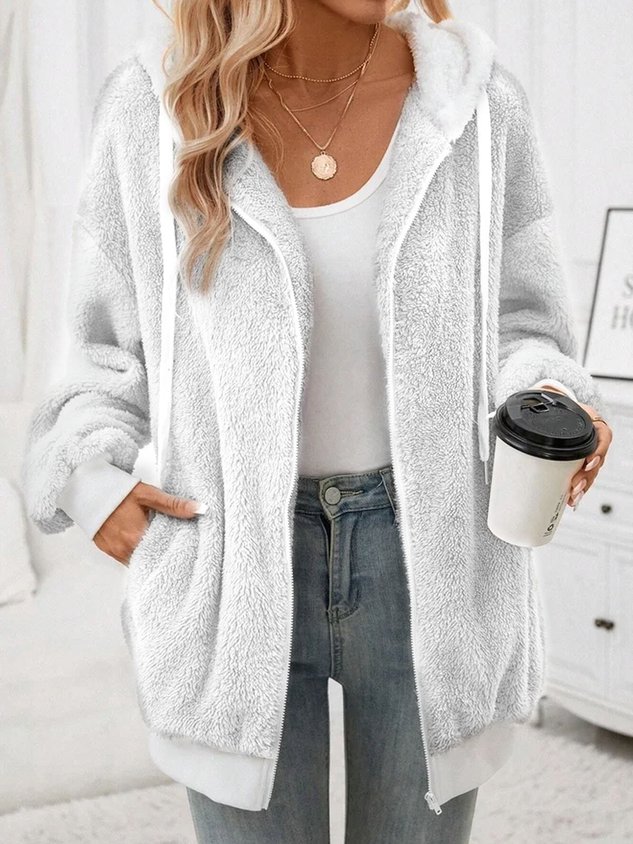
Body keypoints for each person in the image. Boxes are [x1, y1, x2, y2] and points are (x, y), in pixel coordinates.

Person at [21, 0, 613, 841]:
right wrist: (92, 483)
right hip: (228, 561)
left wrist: (550, 399)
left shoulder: (473, 105)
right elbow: (98, 350)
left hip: (428, 555)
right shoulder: (154, 105)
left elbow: (526, 322)